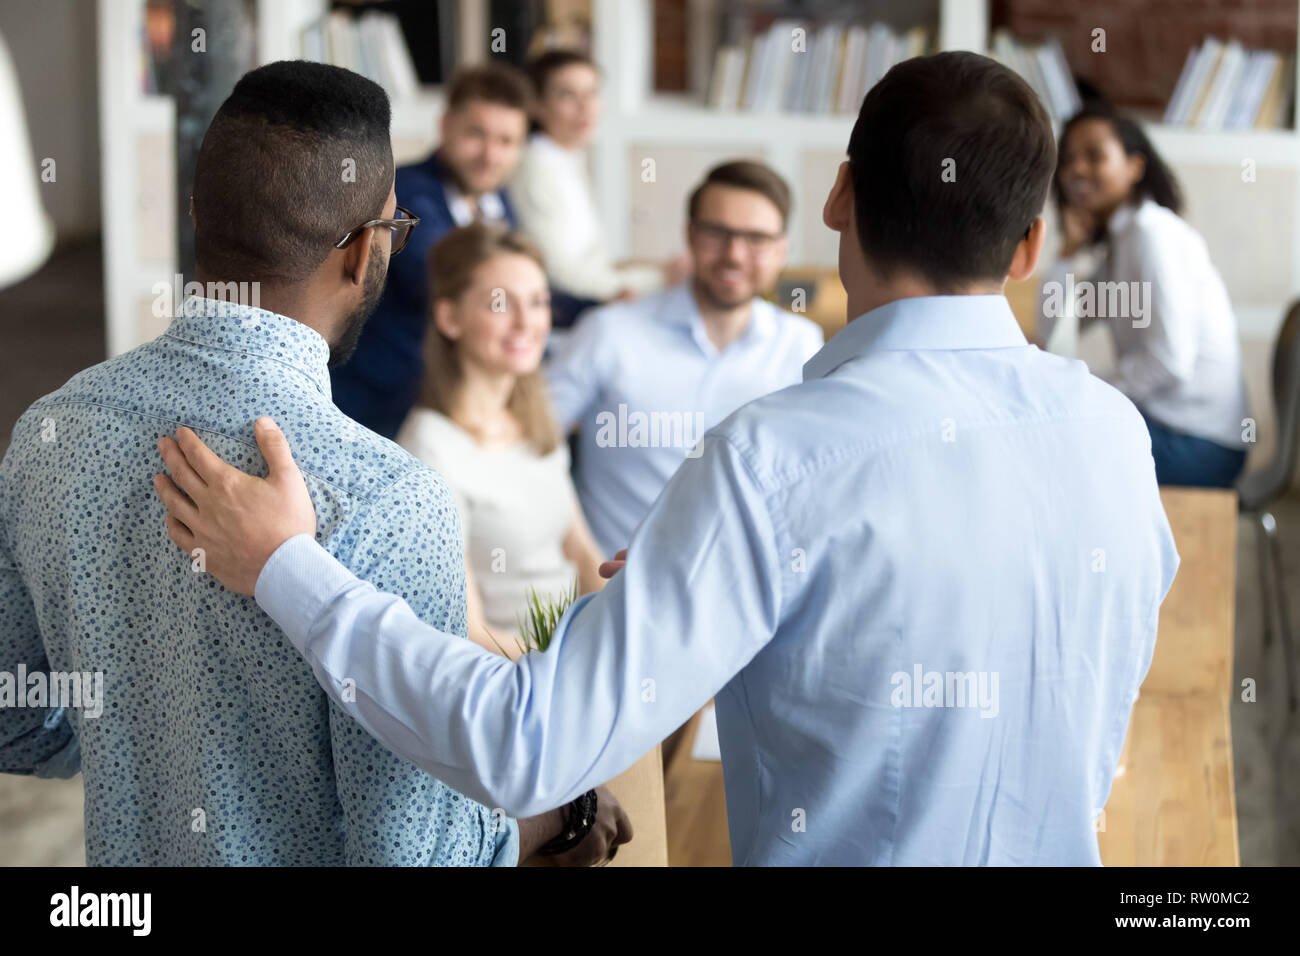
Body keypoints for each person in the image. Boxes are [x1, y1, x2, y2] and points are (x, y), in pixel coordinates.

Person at [154, 52, 1181, 866]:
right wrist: (743, 594)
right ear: (1031, 244)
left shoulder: (776, 460)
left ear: (835, 199)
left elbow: (525, 745)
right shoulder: (1113, 433)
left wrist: (285, 565)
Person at [0, 60, 628, 866]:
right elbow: (411, 854)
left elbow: (15, 720)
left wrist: (146, 742)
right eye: (396, 229)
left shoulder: (51, 431)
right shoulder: (389, 499)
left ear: (199, 216)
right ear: (365, 252)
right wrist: (560, 821)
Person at [547, 159, 823, 559]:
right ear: (690, 236)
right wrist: (580, 556)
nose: (734, 254)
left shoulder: (801, 345)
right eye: (718, 233)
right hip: (618, 590)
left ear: (782, 250)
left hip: (754, 593)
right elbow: (528, 445)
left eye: (756, 239)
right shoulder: (610, 332)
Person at [396, 223, 606, 659]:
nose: (526, 323)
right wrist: (572, 668)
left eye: (538, 302)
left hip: (574, 656)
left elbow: (582, 553)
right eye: (500, 304)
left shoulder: (536, 420)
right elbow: (469, 632)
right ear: (450, 318)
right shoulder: (431, 449)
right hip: (515, 683)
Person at [1038, 102, 1251, 488]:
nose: (1076, 170)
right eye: (1068, 160)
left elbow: (1170, 361)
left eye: (1094, 156)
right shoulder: (1123, 242)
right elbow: (1053, 332)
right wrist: (1068, 251)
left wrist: (1086, 390)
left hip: (1201, 443)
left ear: (1135, 166)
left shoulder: (1153, 237)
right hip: (1168, 426)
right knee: (1050, 437)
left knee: (1053, 447)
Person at [331, 63, 533, 440]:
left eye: (507, 142)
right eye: (477, 134)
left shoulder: (497, 200)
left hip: (447, 401)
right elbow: (452, 283)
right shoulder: (404, 194)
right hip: (380, 408)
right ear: (445, 127)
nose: (490, 155)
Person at [511, 49, 689, 328]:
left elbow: (593, 262)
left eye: (592, 93)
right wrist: (662, 278)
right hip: (564, 318)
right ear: (537, 105)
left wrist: (660, 270)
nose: (586, 107)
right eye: (567, 95)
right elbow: (560, 276)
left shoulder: (567, 157)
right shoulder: (536, 166)